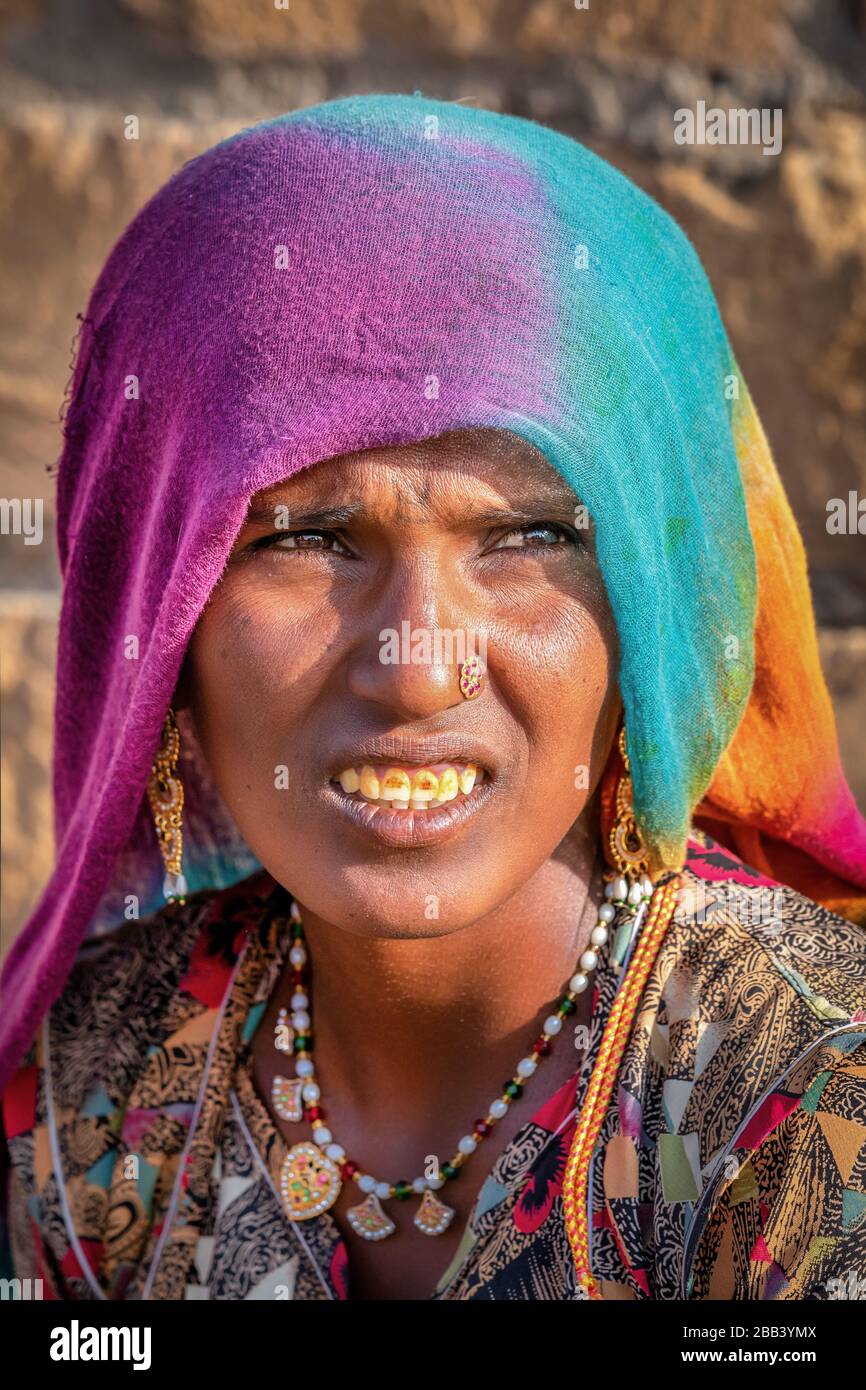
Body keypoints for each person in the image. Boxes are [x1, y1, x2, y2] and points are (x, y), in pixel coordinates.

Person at [1, 93, 864, 1303]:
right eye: (306, 537)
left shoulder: (811, 1101)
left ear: (653, 614)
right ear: (164, 609)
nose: (414, 664)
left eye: (525, 536)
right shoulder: (94, 1081)